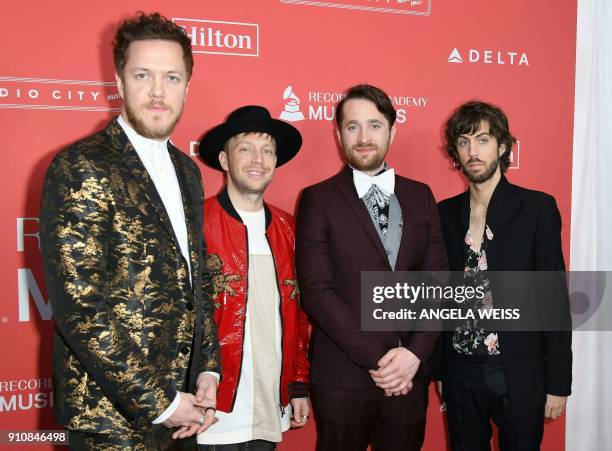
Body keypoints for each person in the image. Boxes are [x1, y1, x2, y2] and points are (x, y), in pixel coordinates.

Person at [39, 12, 220, 450]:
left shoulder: (188, 171)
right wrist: (159, 401)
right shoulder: (80, 166)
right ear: (119, 82)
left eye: (172, 77)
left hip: (185, 410)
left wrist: (208, 372)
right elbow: (80, 307)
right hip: (111, 420)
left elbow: (197, 280)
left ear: (187, 86)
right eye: (143, 75)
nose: (159, 92)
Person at [295, 84, 448, 451]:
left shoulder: (421, 195)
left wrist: (413, 355)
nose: (363, 137)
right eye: (352, 127)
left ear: (392, 131)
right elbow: (317, 291)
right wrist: (381, 360)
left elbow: (437, 282)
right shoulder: (318, 199)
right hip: (343, 377)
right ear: (338, 134)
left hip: (408, 376)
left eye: (375, 125)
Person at [436, 100, 572, 450]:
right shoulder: (445, 214)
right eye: (464, 142)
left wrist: (558, 383)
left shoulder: (537, 208)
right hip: (461, 368)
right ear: (455, 152)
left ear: (502, 146)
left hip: (518, 370)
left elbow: (553, 298)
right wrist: (440, 368)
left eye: (482, 140)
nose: (473, 151)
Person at [197, 105, 310, 450]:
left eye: (267, 150)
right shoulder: (196, 224)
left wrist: (298, 385)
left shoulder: (290, 229)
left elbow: (299, 316)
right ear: (224, 159)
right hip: (211, 410)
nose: (257, 159)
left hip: (268, 409)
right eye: (245, 148)